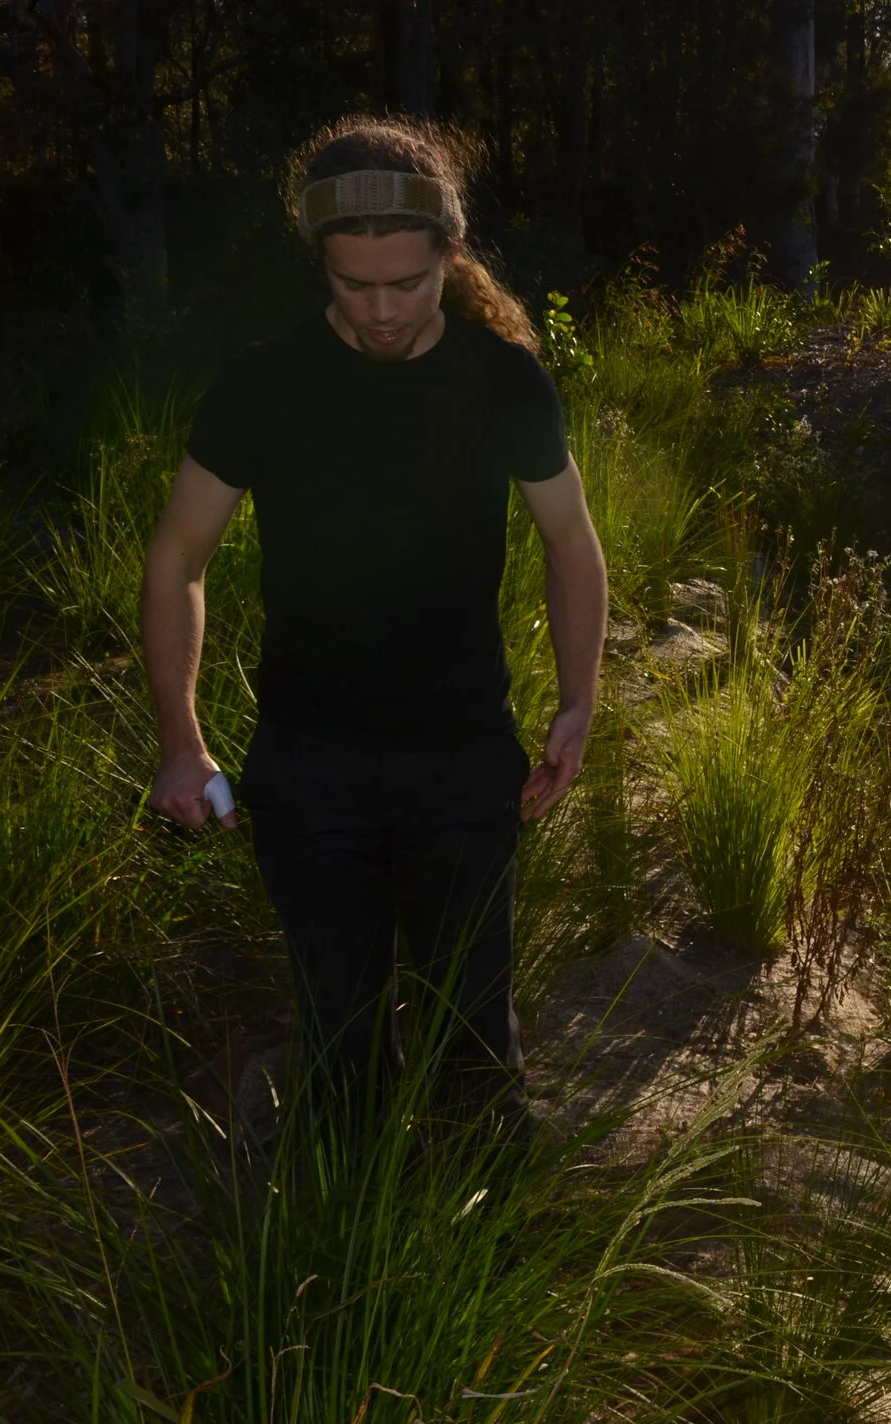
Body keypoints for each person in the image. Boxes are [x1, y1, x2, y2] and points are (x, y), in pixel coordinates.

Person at [141, 116, 607, 1132]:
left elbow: (571, 542)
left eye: (407, 283)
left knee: (475, 1055)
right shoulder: (265, 384)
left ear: (449, 254)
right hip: (310, 770)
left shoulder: (502, 380)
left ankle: (488, 1256)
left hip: (463, 764)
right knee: (342, 1052)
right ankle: (348, 1248)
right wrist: (183, 743)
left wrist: (579, 702)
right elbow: (178, 557)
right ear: (319, 264)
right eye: (356, 286)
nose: (383, 311)